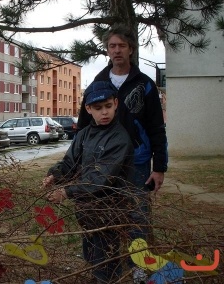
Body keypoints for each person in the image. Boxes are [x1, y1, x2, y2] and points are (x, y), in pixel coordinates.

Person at [77, 24, 168, 283]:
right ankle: (106, 267)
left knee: (137, 217)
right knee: (103, 217)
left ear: (131, 49)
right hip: (102, 165)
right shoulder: (98, 83)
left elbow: (156, 128)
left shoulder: (145, 85)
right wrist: (79, 163)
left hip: (137, 164)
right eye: (112, 46)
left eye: (122, 46)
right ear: (107, 50)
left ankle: (138, 267)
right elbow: (84, 127)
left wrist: (159, 166)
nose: (117, 51)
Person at [42, 81, 134, 284]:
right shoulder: (83, 135)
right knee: (91, 253)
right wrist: (55, 175)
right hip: (86, 209)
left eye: (108, 106)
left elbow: (100, 179)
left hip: (110, 210)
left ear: (116, 103)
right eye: (98, 108)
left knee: (106, 257)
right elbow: (70, 163)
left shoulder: (119, 138)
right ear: (88, 109)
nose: (104, 113)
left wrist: (66, 192)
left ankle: (106, 279)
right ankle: (98, 276)